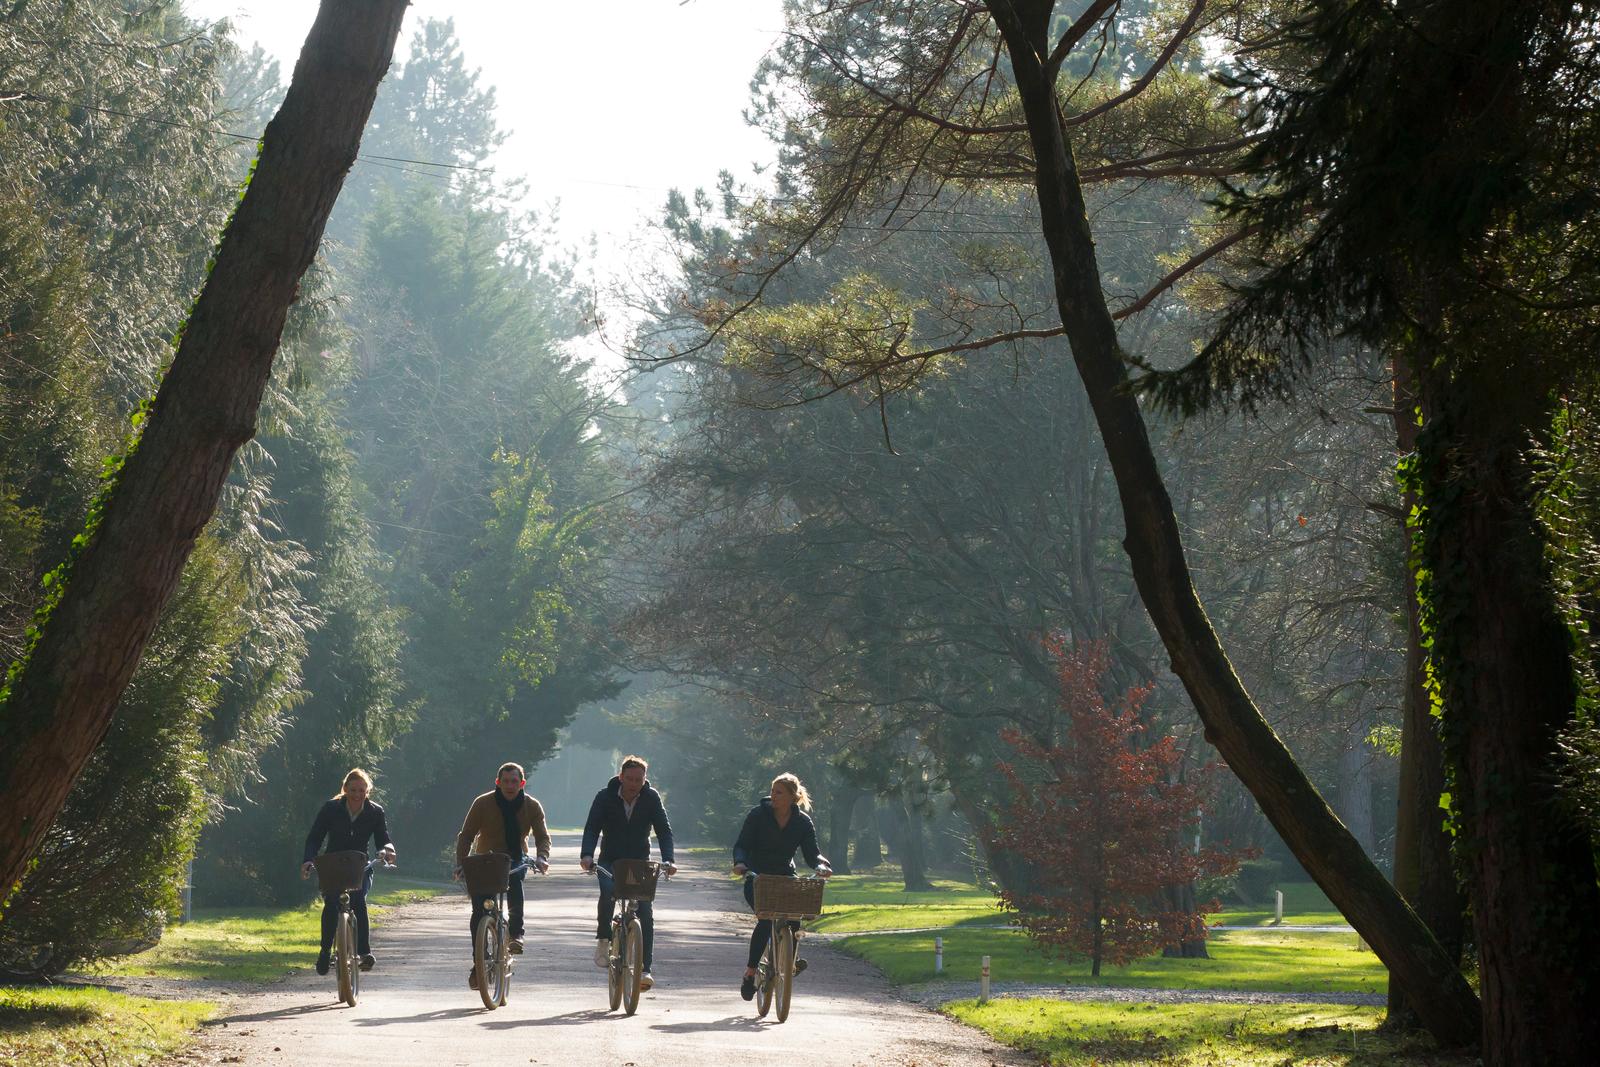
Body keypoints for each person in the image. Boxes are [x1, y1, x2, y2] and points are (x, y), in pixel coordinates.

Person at [580, 755, 676, 991]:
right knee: (609, 892)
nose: (634, 783)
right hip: (610, 860)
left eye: (638, 779)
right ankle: (604, 939)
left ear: (644, 780)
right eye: (630, 778)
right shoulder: (604, 797)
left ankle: (645, 969)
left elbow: (664, 831)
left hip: (639, 862)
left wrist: (669, 859)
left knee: (645, 909)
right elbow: (592, 827)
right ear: (621, 777)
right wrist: (587, 856)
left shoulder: (651, 798)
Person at [731, 772, 831, 1000]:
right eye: (772, 791)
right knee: (766, 920)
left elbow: (812, 853)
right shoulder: (757, 815)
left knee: (794, 917)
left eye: (778, 792)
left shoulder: (803, 822)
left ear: (793, 797)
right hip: (757, 878)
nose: (773, 796)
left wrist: (822, 865)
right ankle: (750, 972)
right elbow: (742, 845)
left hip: (786, 877)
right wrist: (740, 863)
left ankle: (789, 960)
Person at [454, 761, 551, 990]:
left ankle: (516, 933)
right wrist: (461, 863)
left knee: (515, 880)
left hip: (515, 859)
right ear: (498, 782)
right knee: (480, 909)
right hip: (485, 859)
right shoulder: (483, 803)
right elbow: (466, 835)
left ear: (522, 783)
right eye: (505, 781)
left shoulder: (532, 806)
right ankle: (479, 961)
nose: (510, 785)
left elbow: (542, 836)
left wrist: (542, 857)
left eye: (514, 781)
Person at [301, 768, 396, 975]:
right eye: (353, 790)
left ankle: (364, 953)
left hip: (358, 865)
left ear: (367, 791)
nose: (357, 794)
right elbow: (315, 837)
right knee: (332, 903)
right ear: (345, 789)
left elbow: (382, 839)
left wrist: (387, 851)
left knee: (359, 900)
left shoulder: (375, 812)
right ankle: (325, 951)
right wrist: (308, 860)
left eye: (361, 790)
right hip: (332, 864)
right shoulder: (331, 809)